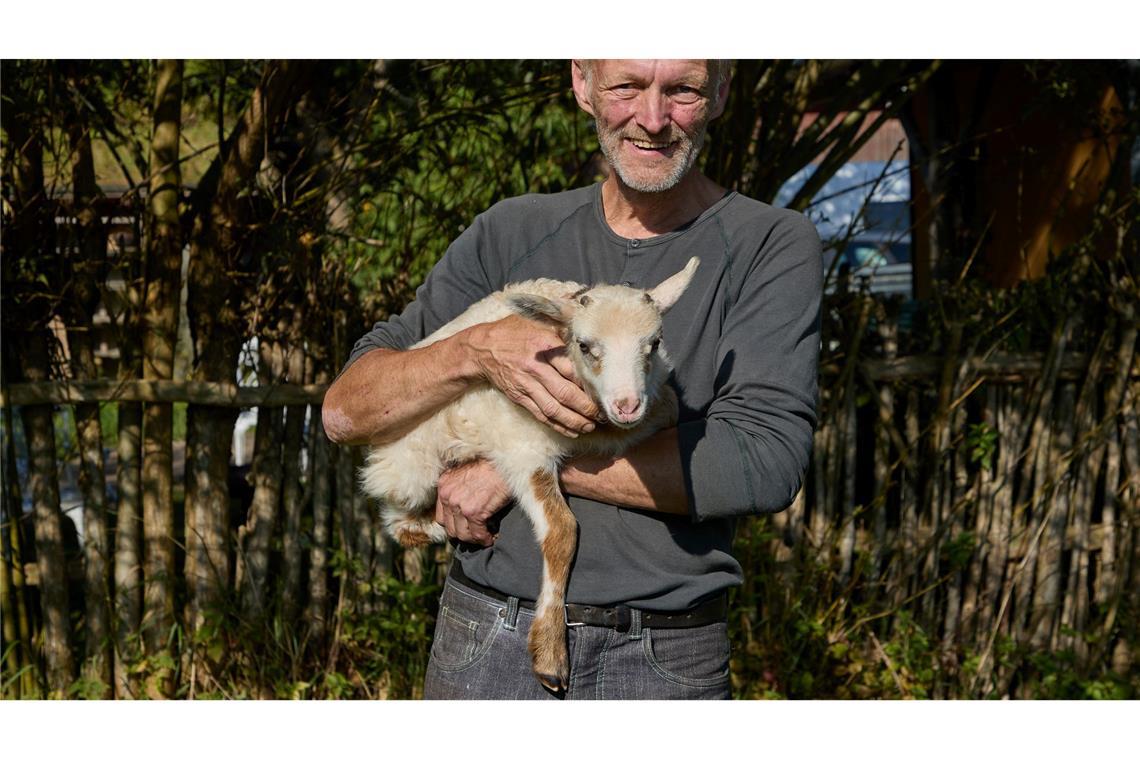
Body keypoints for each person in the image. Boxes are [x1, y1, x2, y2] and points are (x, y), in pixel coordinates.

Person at [322, 59, 822, 699]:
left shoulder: (770, 245)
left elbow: (762, 463)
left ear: (721, 91)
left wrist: (513, 467)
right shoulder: (512, 232)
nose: (652, 118)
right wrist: (474, 350)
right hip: (488, 634)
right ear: (582, 84)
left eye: (683, 90)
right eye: (625, 86)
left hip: (666, 655)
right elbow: (347, 410)